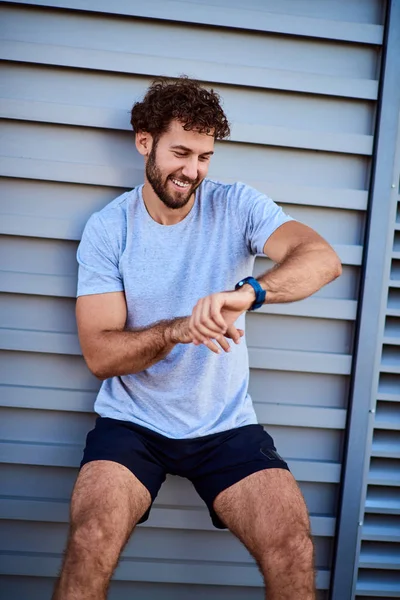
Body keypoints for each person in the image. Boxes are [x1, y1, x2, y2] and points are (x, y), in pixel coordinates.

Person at [52, 77, 341, 600]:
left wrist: (251, 291)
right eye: (181, 152)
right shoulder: (109, 229)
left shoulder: (236, 206)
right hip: (132, 423)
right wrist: (178, 330)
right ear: (146, 143)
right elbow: (99, 354)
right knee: (90, 539)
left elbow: (322, 260)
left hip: (224, 423)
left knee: (292, 545)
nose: (192, 170)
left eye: (205, 156)